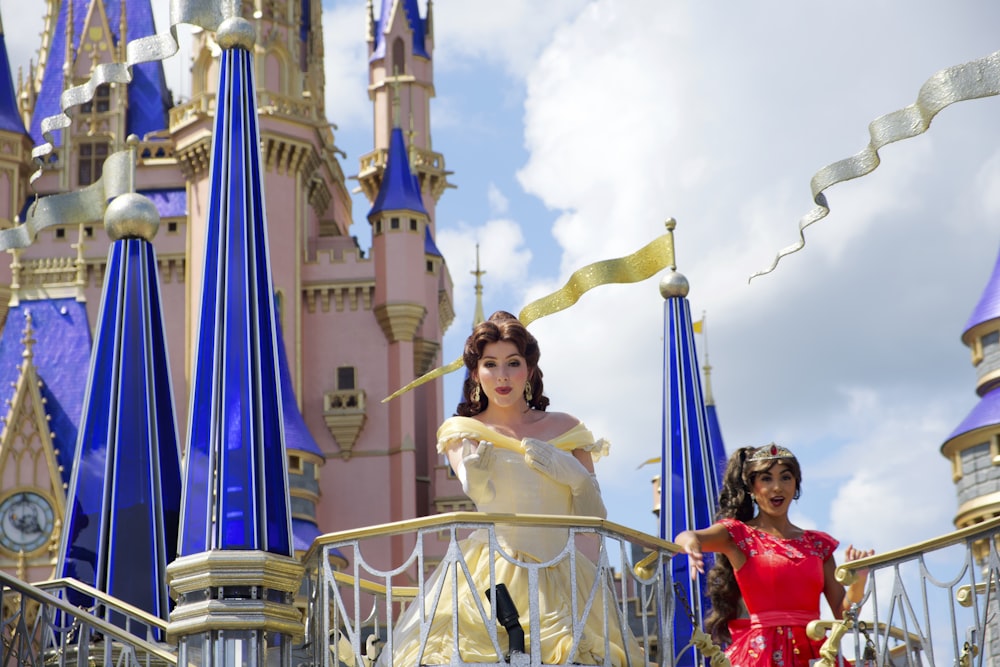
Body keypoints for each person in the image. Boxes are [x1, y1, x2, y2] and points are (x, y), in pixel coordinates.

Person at [380, 311, 642, 666]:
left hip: (563, 575)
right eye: (490, 364)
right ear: (475, 373)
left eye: (512, 363)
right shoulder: (463, 431)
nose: (501, 376)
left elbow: (594, 518)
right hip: (491, 574)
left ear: (529, 370)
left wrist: (576, 478)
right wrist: (476, 479)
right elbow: (483, 498)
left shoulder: (568, 429)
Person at [673, 444, 873, 667]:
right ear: (751, 487)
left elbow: (842, 615)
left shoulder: (818, 544)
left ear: (796, 485)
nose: (777, 487)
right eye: (766, 479)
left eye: (786, 478)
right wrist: (690, 543)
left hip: (813, 654)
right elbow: (688, 536)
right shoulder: (738, 534)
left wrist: (858, 582)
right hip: (761, 655)